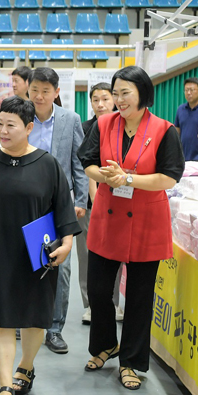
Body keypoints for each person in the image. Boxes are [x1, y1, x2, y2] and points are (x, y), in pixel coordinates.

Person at [0, 96, 81, 395]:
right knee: (1, 316)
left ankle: (26, 367)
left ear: (29, 128)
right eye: (0, 124)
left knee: (33, 316)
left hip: (37, 253)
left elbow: (63, 209)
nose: (2, 131)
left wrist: (67, 243)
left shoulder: (47, 164)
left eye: (10, 125)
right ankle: (5, 386)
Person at [79, 66, 184, 391]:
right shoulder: (103, 124)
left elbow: (169, 177)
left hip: (146, 222)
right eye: (116, 93)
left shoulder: (164, 130)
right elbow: (87, 162)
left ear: (143, 94)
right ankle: (105, 345)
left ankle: (131, 362)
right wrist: (105, 176)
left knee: (139, 297)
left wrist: (127, 178)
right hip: (107, 219)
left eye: (126, 93)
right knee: (98, 291)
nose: (119, 100)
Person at [28, 67, 88, 354]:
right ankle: (24, 321)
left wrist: (81, 200)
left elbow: (79, 163)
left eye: (45, 91)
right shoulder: (19, 114)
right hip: (25, 201)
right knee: (25, 261)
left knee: (59, 267)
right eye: (34, 90)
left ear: (56, 92)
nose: (39, 96)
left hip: (60, 203)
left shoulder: (70, 119)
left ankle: (54, 329)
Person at [77, 83, 124, 326]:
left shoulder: (123, 127)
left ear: (114, 101)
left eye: (105, 99)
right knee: (86, 255)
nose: (100, 104)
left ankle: (113, 303)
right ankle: (90, 305)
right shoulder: (85, 128)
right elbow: (83, 166)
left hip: (119, 201)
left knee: (115, 254)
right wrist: (94, 196)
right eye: (95, 100)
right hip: (87, 204)